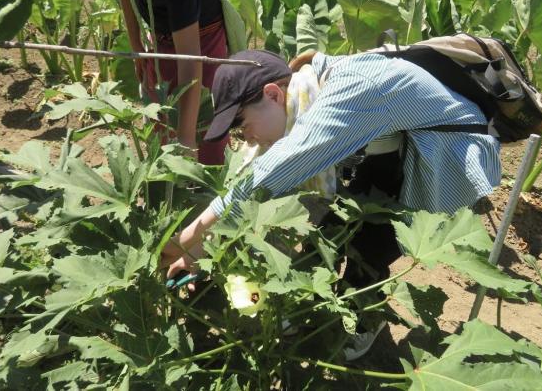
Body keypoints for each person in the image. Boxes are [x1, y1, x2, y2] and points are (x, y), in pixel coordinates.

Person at [161, 49, 502, 280]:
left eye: (241, 124)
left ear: (273, 95)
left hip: (448, 158)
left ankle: (361, 321)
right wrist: (197, 254)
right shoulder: (311, 89)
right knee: (337, 220)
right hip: (400, 148)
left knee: (372, 246)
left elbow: (271, 175)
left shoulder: (348, 91)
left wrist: (185, 239)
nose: (245, 139)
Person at [85, 0, 229, 164]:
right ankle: (168, 187)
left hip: (202, 36)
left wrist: (186, 138)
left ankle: (206, 193)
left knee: (203, 132)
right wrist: (136, 45)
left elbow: (190, 57)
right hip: (161, 29)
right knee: (161, 122)